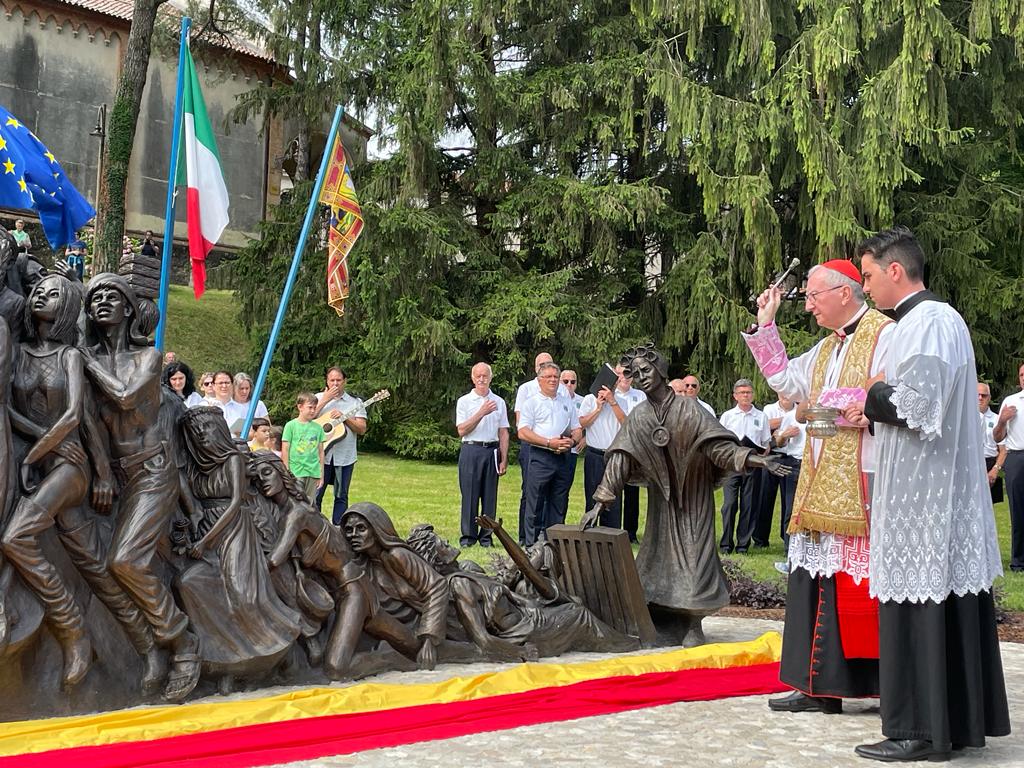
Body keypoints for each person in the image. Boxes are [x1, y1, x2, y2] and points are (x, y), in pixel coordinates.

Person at [843, 227, 1008, 762]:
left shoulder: (928, 321)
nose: (866, 288)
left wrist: (869, 393)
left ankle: (917, 729)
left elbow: (917, 406)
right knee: (944, 603)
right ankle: (951, 725)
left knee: (922, 604)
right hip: (930, 490)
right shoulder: (928, 321)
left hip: (926, 498)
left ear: (896, 270)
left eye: (868, 276)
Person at [743, 259, 892, 715]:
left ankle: (877, 685)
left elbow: (888, 392)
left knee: (857, 586)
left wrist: (821, 406)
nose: (806, 305)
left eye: (813, 296)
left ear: (845, 292)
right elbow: (787, 385)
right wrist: (766, 325)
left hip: (867, 476)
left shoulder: (885, 334)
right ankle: (817, 686)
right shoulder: (828, 347)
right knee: (815, 579)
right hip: (820, 472)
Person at [581, 345, 791, 646]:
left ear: (662, 371)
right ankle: (662, 617)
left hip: (694, 498)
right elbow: (621, 458)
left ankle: (693, 622)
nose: (642, 377)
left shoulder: (689, 409)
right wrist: (601, 502)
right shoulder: (640, 416)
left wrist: (755, 459)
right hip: (662, 504)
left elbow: (717, 447)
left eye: (647, 371)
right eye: (636, 373)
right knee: (656, 558)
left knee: (696, 557)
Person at [81, 273, 201, 702]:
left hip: (154, 471)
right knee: (116, 564)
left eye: (112, 296)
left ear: (130, 309)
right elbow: (91, 423)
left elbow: (127, 398)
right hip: (122, 475)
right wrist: (103, 473)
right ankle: (150, 647)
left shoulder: (148, 358)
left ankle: (183, 642)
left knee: (126, 561)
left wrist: (89, 362)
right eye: (95, 298)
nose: (102, 303)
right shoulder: (88, 361)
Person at [176, 407, 300, 691]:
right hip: (206, 530)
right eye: (196, 433)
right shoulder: (196, 465)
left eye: (207, 429)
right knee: (189, 583)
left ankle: (276, 652)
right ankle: (225, 660)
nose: (202, 437)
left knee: (243, 594)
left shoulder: (231, 459)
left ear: (219, 430)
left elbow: (234, 504)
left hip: (232, 530)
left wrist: (205, 541)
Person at [340, 503, 450, 670]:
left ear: (377, 529)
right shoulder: (363, 565)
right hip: (399, 628)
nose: (354, 535)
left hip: (436, 619)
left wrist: (429, 639)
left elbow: (437, 586)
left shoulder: (398, 555)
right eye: (349, 530)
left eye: (361, 528)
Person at [517, 361, 582, 544]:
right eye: (548, 377)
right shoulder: (532, 403)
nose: (553, 380)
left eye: (556, 377)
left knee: (559, 503)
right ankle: (532, 546)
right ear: (539, 380)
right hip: (541, 455)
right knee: (535, 503)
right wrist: (548, 442)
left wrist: (573, 441)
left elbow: (576, 428)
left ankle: (555, 545)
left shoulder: (566, 402)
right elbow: (523, 432)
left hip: (563, 457)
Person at [578, 364, 645, 540]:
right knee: (593, 496)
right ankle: (590, 536)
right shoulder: (589, 400)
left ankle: (611, 538)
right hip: (594, 455)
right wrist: (598, 408)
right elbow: (583, 424)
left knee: (613, 500)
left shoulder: (622, 402)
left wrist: (613, 402)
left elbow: (627, 425)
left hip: (615, 456)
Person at [455, 362, 510, 548]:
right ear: (472, 378)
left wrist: (504, 457)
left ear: (490, 378)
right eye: (478, 376)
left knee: (489, 497)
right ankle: (468, 537)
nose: (481, 379)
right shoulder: (464, 401)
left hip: (492, 451)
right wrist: (481, 412)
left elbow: (503, 432)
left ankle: (486, 537)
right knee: (469, 495)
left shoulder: (499, 402)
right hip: (471, 449)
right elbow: (462, 430)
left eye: (485, 376)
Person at [513, 352, 564, 544]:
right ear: (537, 370)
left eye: (552, 367)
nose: (551, 377)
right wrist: (546, 441)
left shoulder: (562, 396)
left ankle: (551, 539)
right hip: (534, 447)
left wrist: (567, 441)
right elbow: (521, 424)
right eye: (543, 366)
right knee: (531, 493)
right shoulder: (527, 390)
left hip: (559, 451)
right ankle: (527, 539)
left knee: (556, 497)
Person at [717, 379, 770, 553]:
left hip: (753, 465)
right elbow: (721, 442)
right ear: (735, 396)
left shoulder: (761, 416)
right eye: (742, 393)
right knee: (730, 504)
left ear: (752, 395)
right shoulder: (728, 416)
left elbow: (766, 443)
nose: (746, 395)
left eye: (748, 392)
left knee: (749, 504)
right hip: (732, 465)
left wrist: (762, 452)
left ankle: (742, 545)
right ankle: (726, 544)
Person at [314, 367, 367, 524]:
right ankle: (315, 527)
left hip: (345, 456)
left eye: (338, 380)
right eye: (332, 380)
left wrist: (345, 418)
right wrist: (325, 399)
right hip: (320, 457)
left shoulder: (355, 402)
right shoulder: (317, 398)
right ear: (327, 381)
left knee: (341, 496)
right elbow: (305, 419)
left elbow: (362, 429)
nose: (335, 384)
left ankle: (339, 529)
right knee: (316, 494)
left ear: (345, 381)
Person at [994, 365, 1024, 571]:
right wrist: (1003, 420)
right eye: (1022, 375)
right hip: (1017, 457)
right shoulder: (1011, 402)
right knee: (1018, 511)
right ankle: (1018, 562)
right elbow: (997, 437)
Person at [281, 392, 325, 502]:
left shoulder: (318, 428)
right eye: (310, 407)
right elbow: (285, 449)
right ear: (300, 407)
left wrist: (321, 474)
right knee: (295, 501)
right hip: (296, 471)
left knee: (310, 503)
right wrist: (287, 471)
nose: (313, 411)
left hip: (313, 471)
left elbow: (321, 452)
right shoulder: (290, 426)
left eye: (314, 408)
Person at [978, 382, 1006, 506]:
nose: (980, 398)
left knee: (989, 509)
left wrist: (995, 470)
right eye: (977, 394)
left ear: (989, 398)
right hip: (970, 463)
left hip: (990, 464)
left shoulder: (996, 420)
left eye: (984, 395)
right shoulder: (963, 420)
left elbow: (1004, 450)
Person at [207, 370, 247, 436]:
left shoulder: (241, 408)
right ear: (213, 386)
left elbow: (251, 433)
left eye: (227, 383)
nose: (224, 386)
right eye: (220, 383)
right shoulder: (206, 407)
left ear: (232, 385)